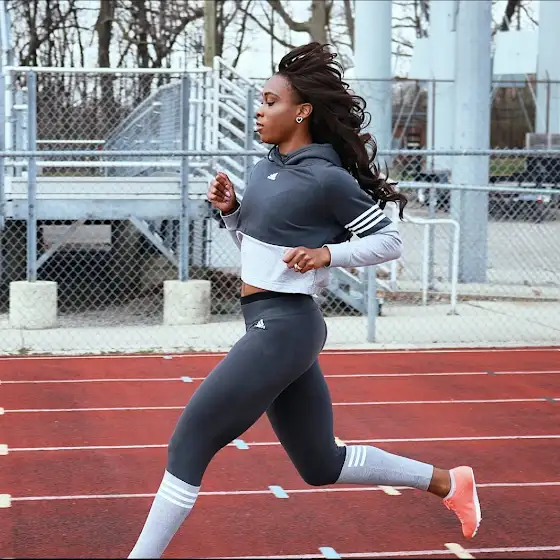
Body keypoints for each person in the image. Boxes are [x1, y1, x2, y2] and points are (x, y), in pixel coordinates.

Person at [128, 42, 481, 558]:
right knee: (320, 464)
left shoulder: (326, 178)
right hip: (270, 323)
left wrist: (327, 254)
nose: (259, 110)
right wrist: (232, 213)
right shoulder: (261, 170)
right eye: (260, 100)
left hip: (287, 326)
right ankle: (449, 482)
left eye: (270, 101)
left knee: (189, 441)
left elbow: (390, 241)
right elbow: (256, 255)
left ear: (302, 112)